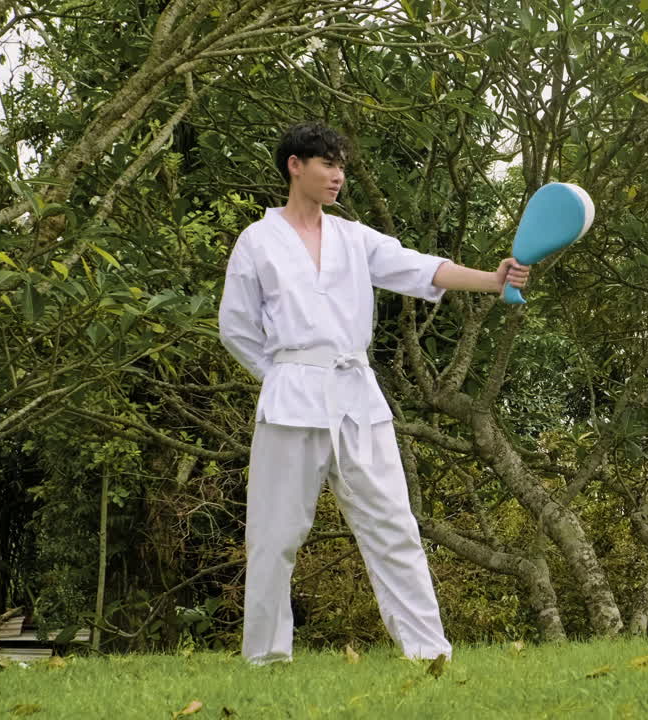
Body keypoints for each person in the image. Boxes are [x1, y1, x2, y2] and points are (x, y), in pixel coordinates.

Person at [218, 121, 529, 664]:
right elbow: (236, 327)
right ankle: (265, 659)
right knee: (275, 535)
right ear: (295, 165)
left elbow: (419, 267)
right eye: (327, 164)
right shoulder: (258, 242)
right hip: (291, 397)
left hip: (358, 396)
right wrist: (283, 375)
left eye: (341, 165)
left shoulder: (354, 237)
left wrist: (492, 278)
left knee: (393, 524)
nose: (338, 175)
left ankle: (429, 651)